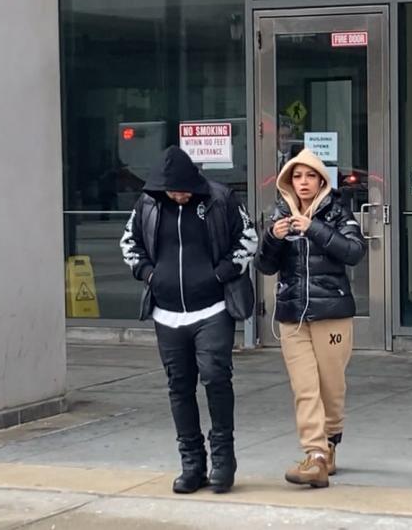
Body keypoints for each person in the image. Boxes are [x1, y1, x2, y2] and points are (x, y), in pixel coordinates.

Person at [119, 146, 257, 494]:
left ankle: (223, 461)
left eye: (183, 189)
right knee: (179, 387)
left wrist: (221, 274)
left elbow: (248, 238)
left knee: (216, 380)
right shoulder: (148, 205)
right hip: (166, 314)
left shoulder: (220, 199)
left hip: (212, 309)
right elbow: (129, 243)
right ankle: (192, 464)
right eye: (171, 190)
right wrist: (148, 274)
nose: (178, 194)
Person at [255, 148, 366, 489]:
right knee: (305, 388)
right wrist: (272, 238)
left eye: (310, 176)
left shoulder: (337, 212)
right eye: (297, 177)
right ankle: (315, 455)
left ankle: (330, 442)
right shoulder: (279, 213)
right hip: (292, 315)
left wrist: (314, 228)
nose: (303, 183)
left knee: (330, 385)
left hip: (331, 313)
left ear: (321, 180)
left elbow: (353, 252)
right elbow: (265, 266)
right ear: (289, 181)